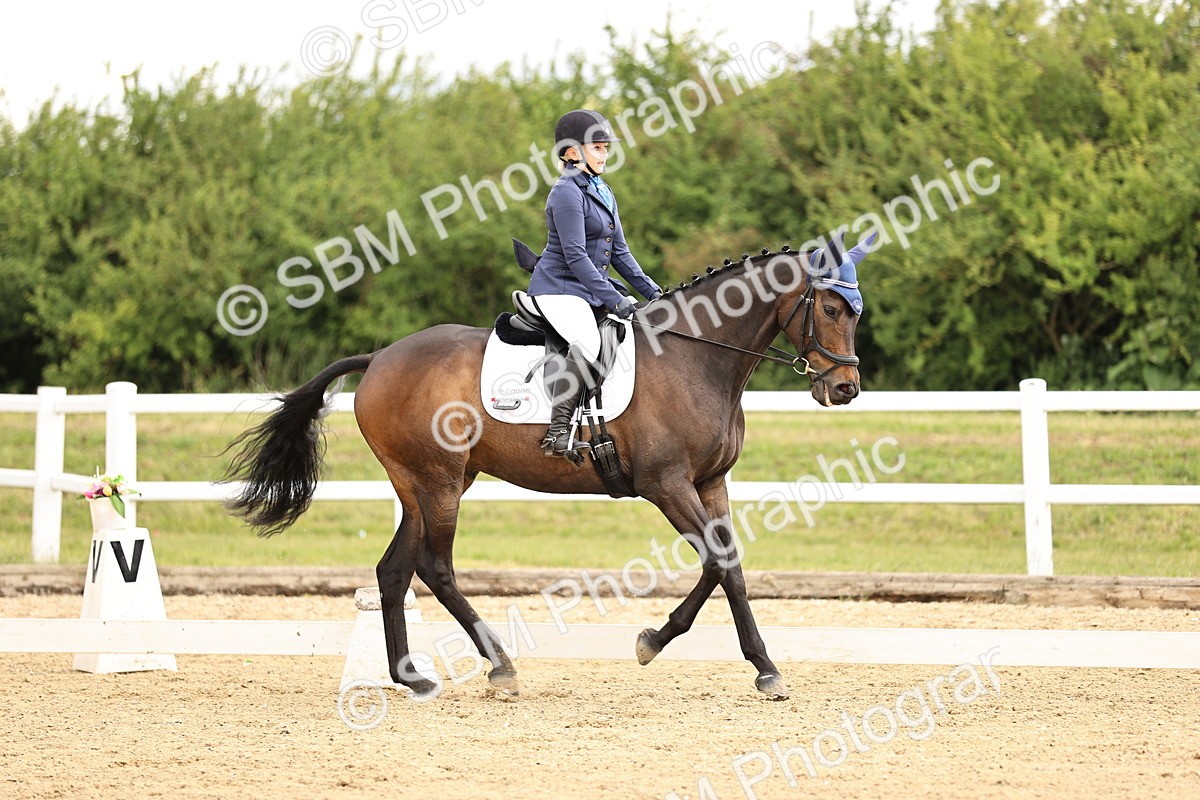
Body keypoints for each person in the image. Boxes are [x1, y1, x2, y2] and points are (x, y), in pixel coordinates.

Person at [526, 109, 663, 463]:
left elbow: (620, 253)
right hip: (557, 287)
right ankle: (557, 432)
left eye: (605, 148)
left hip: (587, 288)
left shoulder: (602, 190)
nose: (604, 154)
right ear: (572, 152)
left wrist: (655, 293)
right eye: (597, 148)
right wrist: (613, 299)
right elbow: (574, 256)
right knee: (588, 341)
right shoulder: (565, 193)